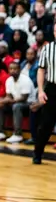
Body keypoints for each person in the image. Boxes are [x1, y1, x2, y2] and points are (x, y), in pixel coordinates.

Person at [0, 61, 34, 143]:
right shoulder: (9, 80)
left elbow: (24, 98)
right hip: (16, 102)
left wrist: (9, 100)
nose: (13, 70)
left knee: (16, 106)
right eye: (11, 69)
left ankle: (18, 134)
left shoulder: (25, 80)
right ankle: (0, 132)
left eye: (15, 69)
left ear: (19, 70)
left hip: (29, 104)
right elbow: (9, 96)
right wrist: (3, 101)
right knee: (0, 105)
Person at [34, 23, 56, 164]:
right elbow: (41, 70)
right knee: (46, 124)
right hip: (53, 88)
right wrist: (41, 90)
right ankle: (37, 153)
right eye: (55, 30)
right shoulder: (47, 49)